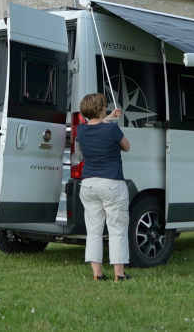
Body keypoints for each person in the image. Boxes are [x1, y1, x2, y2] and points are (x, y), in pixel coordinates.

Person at [76, 93, 132, 281]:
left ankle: (97, 274)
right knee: (116, 229)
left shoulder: (81, 131)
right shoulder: (112, 130)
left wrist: (108, 118)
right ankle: (119, 274)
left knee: (93, 230)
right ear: (100, 109)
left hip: (89, 184)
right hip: (111, 183)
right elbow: (127, 146)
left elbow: (95, 125)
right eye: (105, 107)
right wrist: (111, 121)